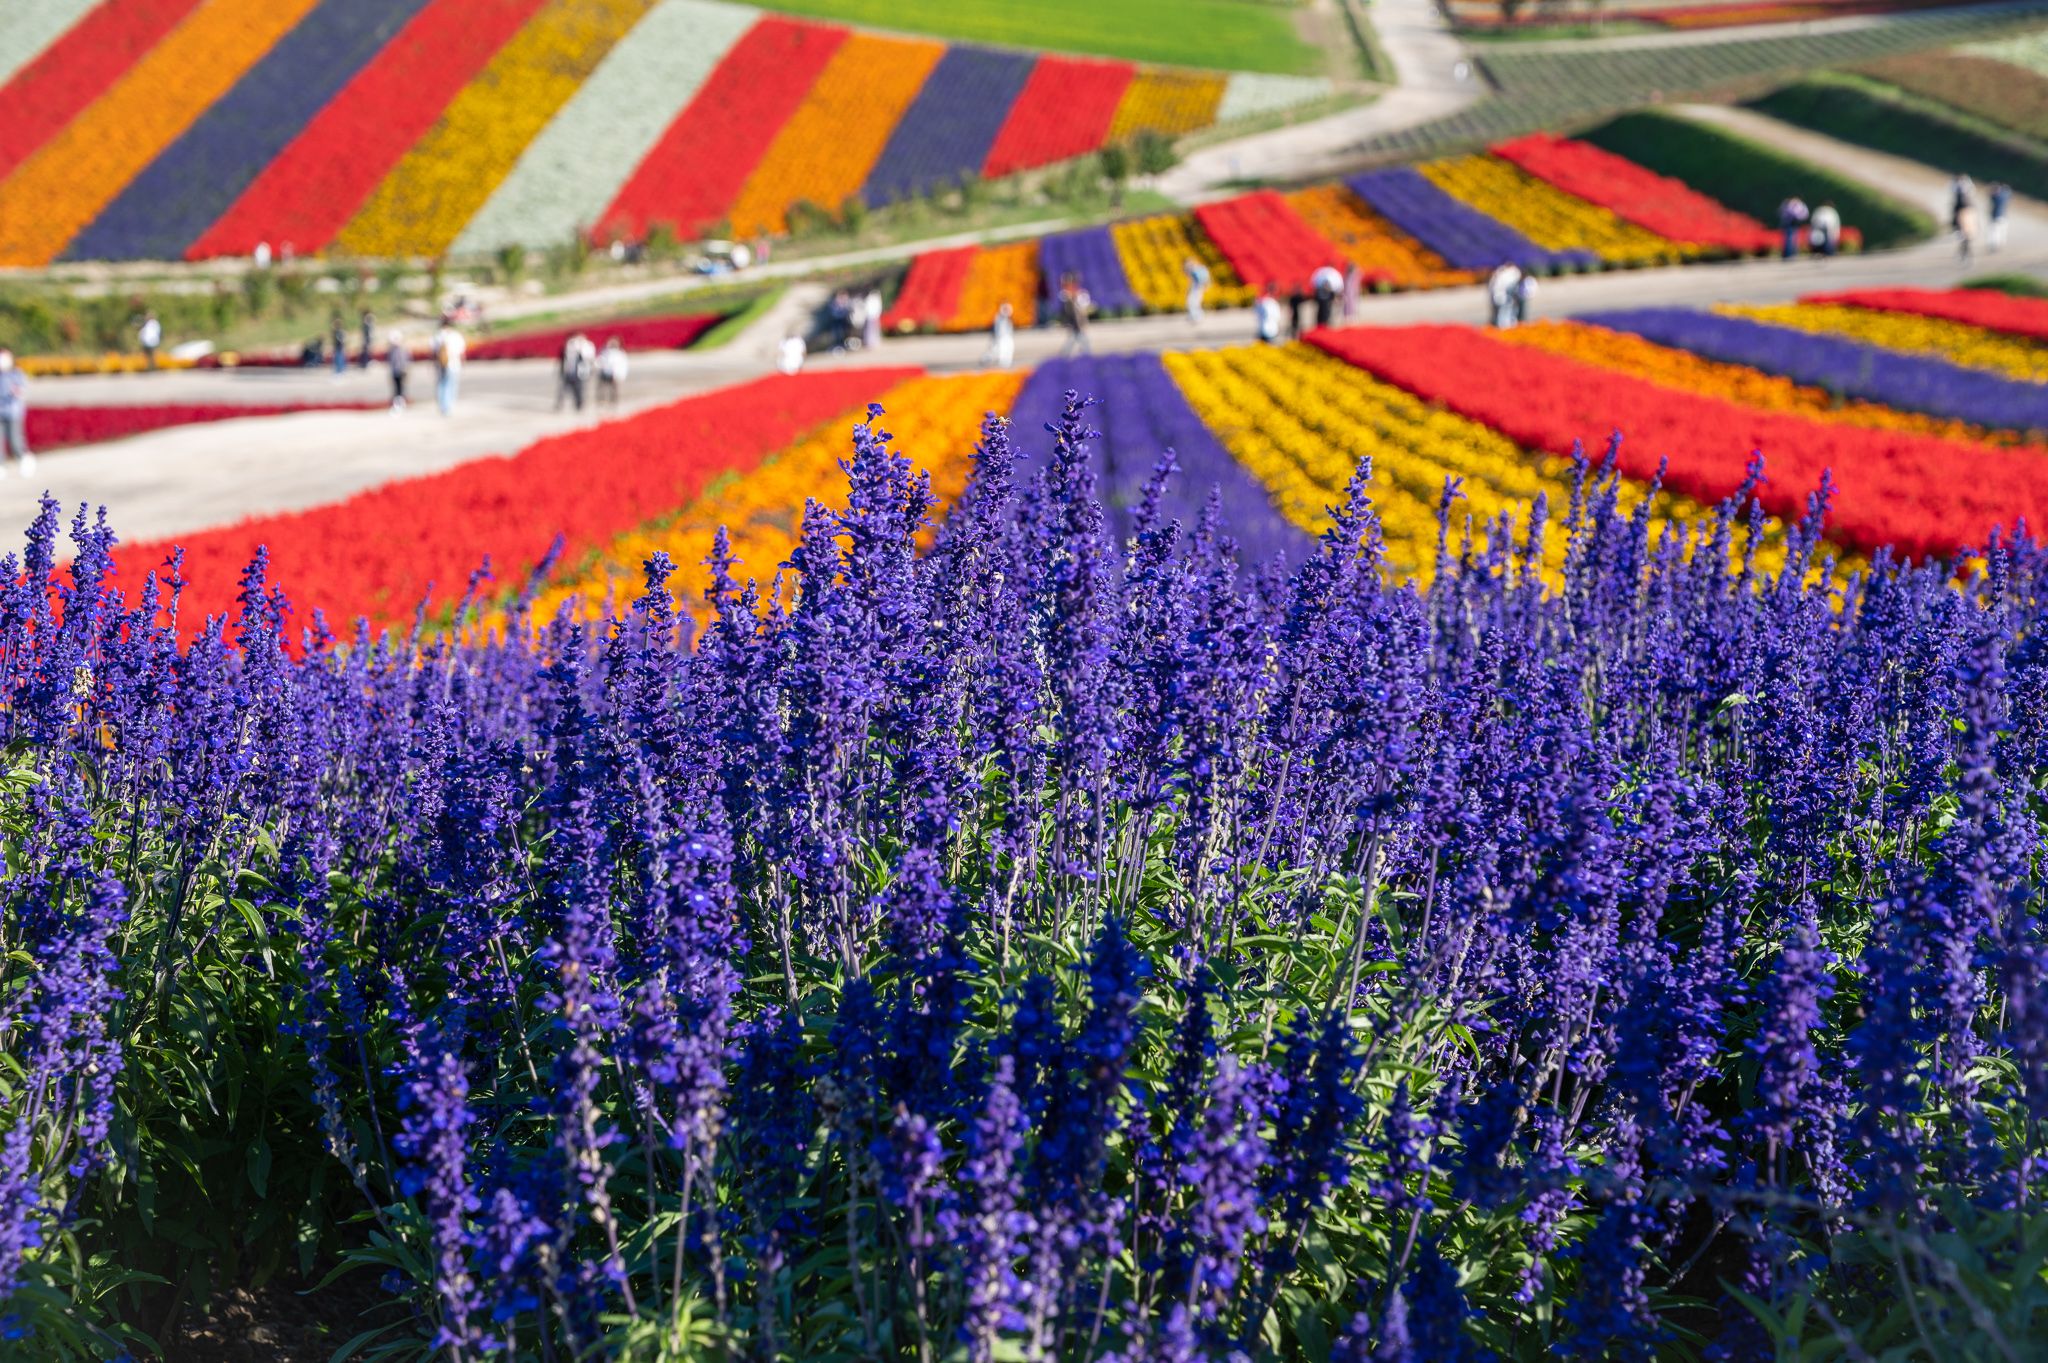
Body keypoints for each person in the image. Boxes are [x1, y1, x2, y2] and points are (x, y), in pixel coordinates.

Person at [0, 350, 32, 476]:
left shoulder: (16, 374)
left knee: (15, 440)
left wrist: (17, 391)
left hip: (13, 412)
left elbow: (21, 390)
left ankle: (23, 459)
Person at [432, 316, 464, 416]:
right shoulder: (455, 336)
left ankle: (442, 406)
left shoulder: (437, 336)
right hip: (453, 364)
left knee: (441, 384)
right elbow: (461, 351)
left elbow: (433, 352)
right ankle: (448, 406)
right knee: (450, 384)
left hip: (440, 364)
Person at [1057, 273, 1093, 357]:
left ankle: (1065, 355)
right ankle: (1086, 354)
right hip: (1073, 322)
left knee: (1075, 338)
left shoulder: (1079, 294)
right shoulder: (1065, 295)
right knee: (1078, 338)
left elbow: (1083, 308)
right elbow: (1067, 311)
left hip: (1077, 322)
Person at [1486, 261, 1523, 329]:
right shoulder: (1509, 273)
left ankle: (1504, 326)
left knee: (1505, 313)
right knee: (1504, 313)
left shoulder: (1503, 272)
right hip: (1504, 297)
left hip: (1502, 296)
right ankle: (1504, 327)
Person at [984, 301, 1015, 369]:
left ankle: (1005, 363)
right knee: (998, 350)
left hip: (1007, 337)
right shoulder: (998, 317)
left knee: (1007, 349)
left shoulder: (1008, 318)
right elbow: (996, 329)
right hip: (1000, 337)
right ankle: (1001, 363)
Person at [597, 337, 626, 408]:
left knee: (614, 389)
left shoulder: (620, 354)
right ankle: (602, 402)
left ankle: (613, 403)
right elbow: (600, 361)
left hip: (615, 374)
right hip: (604, 372)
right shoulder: (605, 352)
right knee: (602, 388)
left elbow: (622, 365)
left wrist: (619, 375)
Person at [1311, 263, 1342, 329]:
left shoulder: (1331, 274)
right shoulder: (1322, 274)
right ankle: (1321, 324)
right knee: (1321, 311)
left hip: (1327, 297)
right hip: (1322, 297)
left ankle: (1325, 323)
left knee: (1327, 311)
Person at [1183, 256, 1210, 325]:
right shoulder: (1199, 269)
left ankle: (1197, 317)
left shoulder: (1196, 270)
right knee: (1193, 303)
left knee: (1192, 302)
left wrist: (1204, 286)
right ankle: (1195, 317)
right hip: (1197, 288)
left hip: (1197, 288)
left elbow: (1201, 280)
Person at [386, 331, 409, 412]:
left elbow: (404, 361)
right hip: (395, 371)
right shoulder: (393, 350)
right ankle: (398, 403)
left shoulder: (401, 350)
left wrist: (404, 369)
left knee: (400, 388)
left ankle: (400, 403)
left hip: (400, 371)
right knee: (397, 388)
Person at [1989, 181, 2012, 251]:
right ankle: (2001, 244)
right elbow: (2009, 194)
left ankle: (1995, 245)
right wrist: (2005, 189)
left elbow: (1991, 196)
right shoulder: (2005, 195)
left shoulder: (1996, 196)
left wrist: (1996, 190)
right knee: (2002, 232)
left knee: (1995, 232)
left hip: (1996, 216)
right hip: (2004, 216)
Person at [861, 287, 883, 352]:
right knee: (870, 330)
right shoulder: (871, 299)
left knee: (873, 330)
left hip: (873, 316)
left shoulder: (872, 299)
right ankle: (870, 343)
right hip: (871, 316)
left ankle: (873, 342)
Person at [329, 311, 348, 376]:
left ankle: (340, 369)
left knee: (340, 357)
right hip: (337, 345)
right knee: (338, 356)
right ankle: (339, 369)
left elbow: (341, 338)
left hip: (339, 345)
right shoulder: (336, 330)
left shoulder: (340, 330)